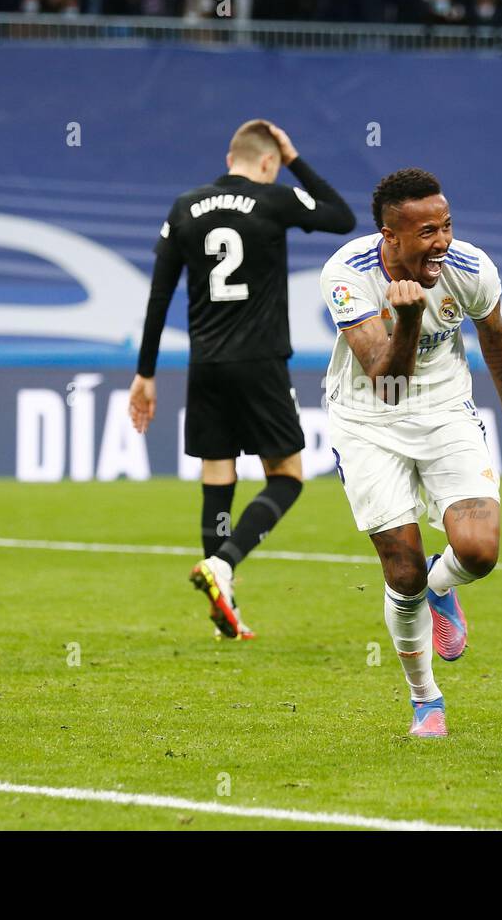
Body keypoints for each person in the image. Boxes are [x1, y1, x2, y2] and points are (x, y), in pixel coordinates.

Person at [318, 168, 502, 737]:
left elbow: (497, 338)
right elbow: (384, 379)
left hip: (446, 410)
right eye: (426, 232)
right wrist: (411, 316)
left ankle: (439, 584)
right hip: (369, 420)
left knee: (479, 551)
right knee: (400, 573)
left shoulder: (469, 267)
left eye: (446, 225)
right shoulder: (347, 275)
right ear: (390, 236)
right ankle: (426, 699)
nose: (442, 241)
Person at [128, 120, 356, 640]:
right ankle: (224, 565)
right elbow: (341, 218)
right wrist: (297, 160)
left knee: (218, 477)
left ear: (230, 156)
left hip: (205, 365)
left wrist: (145, 373)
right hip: (261, 362)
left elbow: (159, 295)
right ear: (267, 162)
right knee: (288, 475)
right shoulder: (275, 199)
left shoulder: (184, 207)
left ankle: (221, 602)